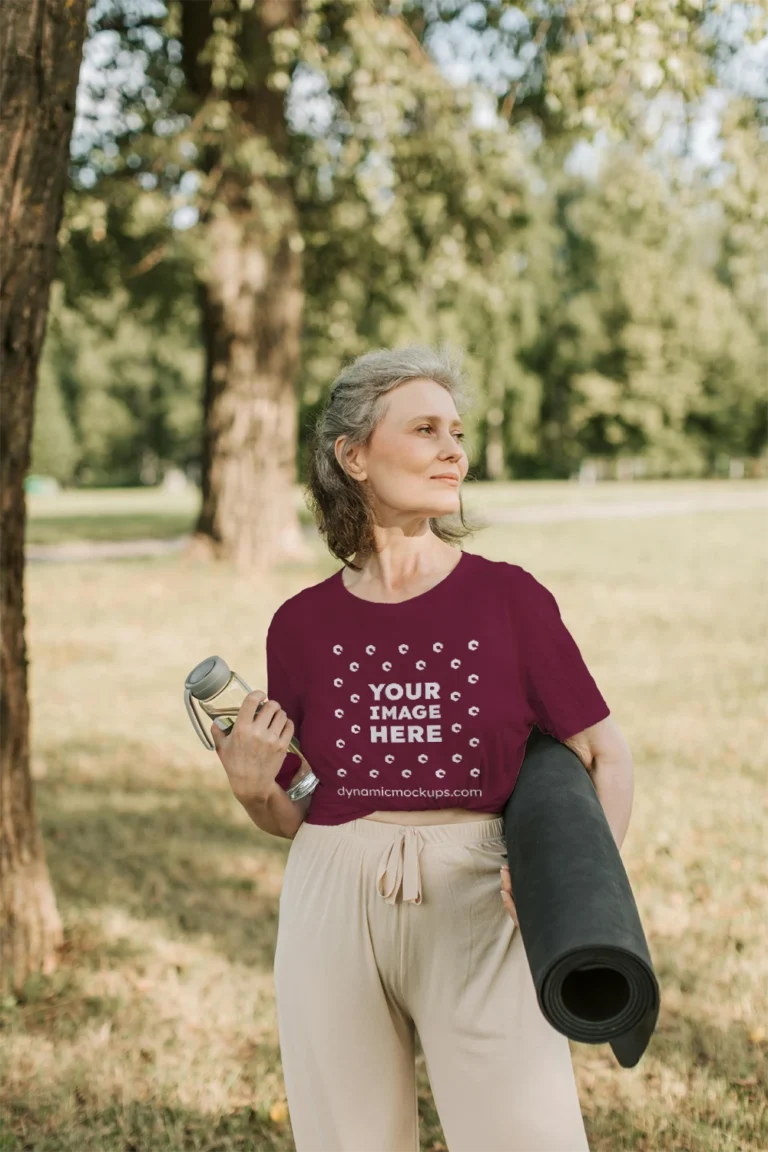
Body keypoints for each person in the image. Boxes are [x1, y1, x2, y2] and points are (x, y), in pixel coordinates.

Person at [212, 345, 621, 1152]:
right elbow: (296, 812)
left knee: (526, 1136)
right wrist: (254, 786)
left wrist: (576, 891)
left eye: (457, 432)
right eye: (426, 429)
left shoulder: (509, 598)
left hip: (479, 889)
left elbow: (605, 752)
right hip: (331, 887)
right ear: (353, 455)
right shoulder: (300, 624)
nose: (453, 451)